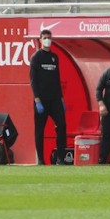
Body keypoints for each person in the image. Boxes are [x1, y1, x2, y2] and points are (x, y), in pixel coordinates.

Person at [31, 28, 68, 165]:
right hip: (41, 100)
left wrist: (61, 98)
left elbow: (56, 78)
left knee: (62, 126)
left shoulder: (54, 57)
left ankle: (60, 158)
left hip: (55, 99)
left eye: (49, 37)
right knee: (40, 130)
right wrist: (37, 100)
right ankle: (40, 159)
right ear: (40, 40)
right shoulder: (36, 57)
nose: (47, 40)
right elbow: (33, 80)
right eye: (44, 37)